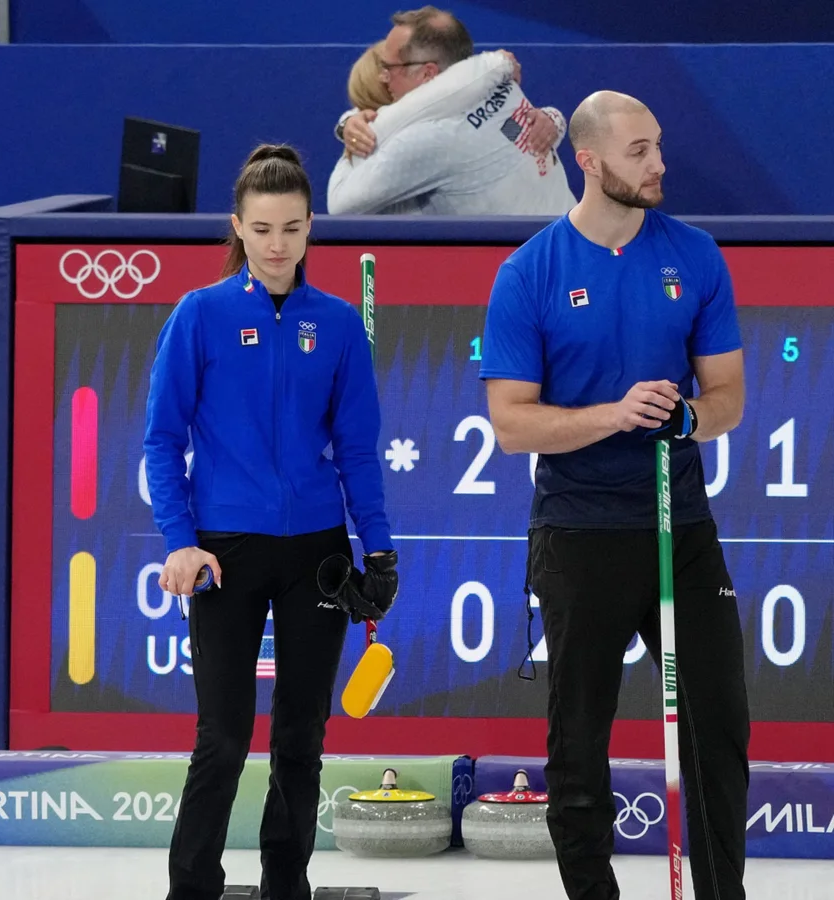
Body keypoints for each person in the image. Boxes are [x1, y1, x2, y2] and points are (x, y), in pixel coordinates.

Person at [479, 91, 749, 900]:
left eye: (658, 145)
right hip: (579, 530)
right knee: (577, 739)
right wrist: (614, 415)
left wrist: (690, 416)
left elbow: (730, 393)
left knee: (719, 726)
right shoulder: (530, 272)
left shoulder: (696, 255)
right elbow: (511, 424)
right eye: (639, 151)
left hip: (679, 523)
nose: (659, 163)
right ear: (589, 162)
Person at [142, 144, 399, 900]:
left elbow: (358, 450)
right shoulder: (201, 315)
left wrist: (377, 551)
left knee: (301, 738)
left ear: (311, 226)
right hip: (225, 550)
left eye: (291, 227)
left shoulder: (339, 325)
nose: (277, 244)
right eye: (261, 228)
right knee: (221, 738)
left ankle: (286, 885)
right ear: (238, 228)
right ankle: (192, 888)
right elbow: (162, 439)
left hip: (316, 552)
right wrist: (180, 542)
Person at [326, 6, 574, 215]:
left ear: (427, 73)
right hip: (572, 243)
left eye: (389, 68)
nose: (384, 77)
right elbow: (510, 140)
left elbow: (339, 203)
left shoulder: (428, 141)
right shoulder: (503, 84)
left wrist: (357, 129)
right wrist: (554, 118)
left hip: (529, 265)